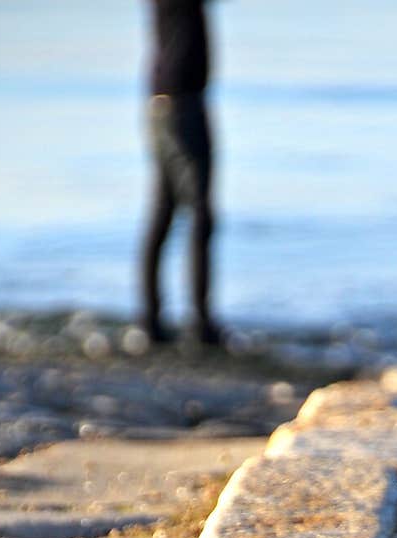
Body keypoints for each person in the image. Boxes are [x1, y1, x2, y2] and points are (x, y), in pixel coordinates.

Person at [140, 0, 222, 346]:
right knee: (201, 215)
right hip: (183, 106)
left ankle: (152, 321)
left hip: (162, 104)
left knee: (165, 212)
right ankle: (200, 325)